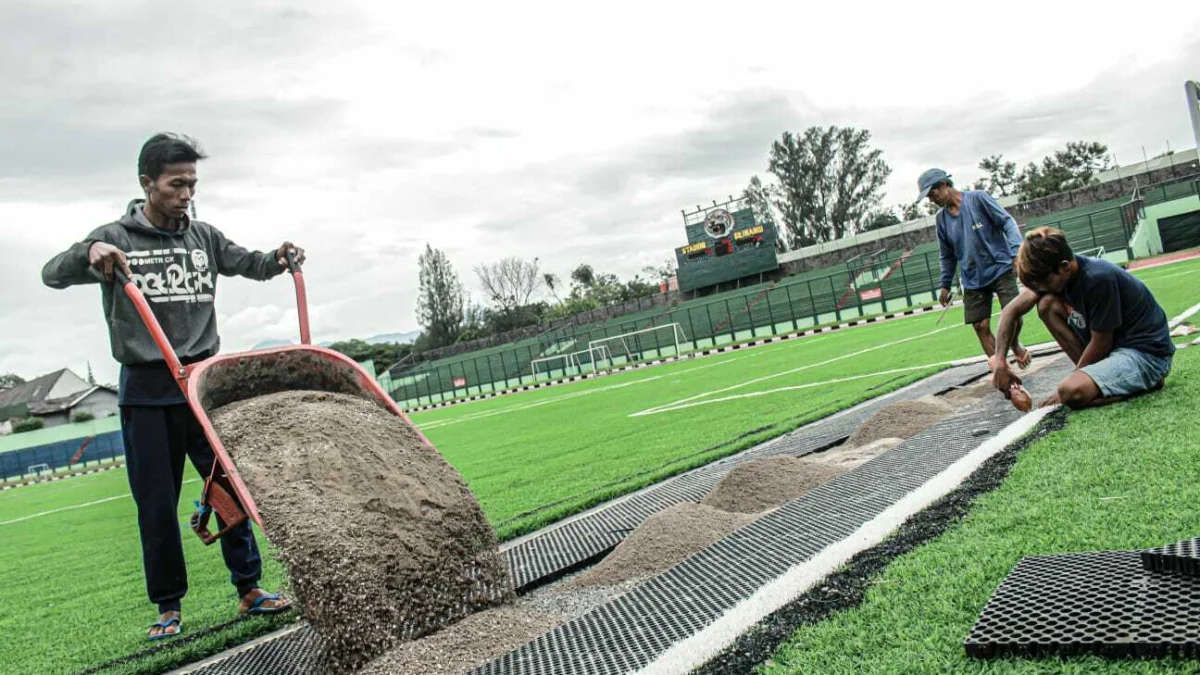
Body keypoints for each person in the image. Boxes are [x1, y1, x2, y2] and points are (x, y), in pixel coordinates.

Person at [42, 133, 302, 640]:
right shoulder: (116, 236)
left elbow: (248, 262)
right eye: (176, 184)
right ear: (147, 183)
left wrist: (278, 257)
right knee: (156, 503)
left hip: (203, 387)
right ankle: (168, 606)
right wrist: (91, 251)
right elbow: (52, 273)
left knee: (228, 490)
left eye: (192, 184)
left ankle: (250, 588)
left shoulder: (203, 237)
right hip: (147, 388)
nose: (186, 194)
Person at [990, 226, 1175, 409]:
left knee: (1070, 391)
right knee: (1047, 305)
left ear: (1064, 267)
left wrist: (1072, 382)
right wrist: (1000, 361)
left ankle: (1148, 382)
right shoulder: (1058, 275)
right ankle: (1094, 381)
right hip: (1116, 350)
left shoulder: (1099, 279)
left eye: (1045, 282)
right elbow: (1010, 312)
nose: (1042, 287)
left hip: (1146, 355)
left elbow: (1101, 343)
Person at [918, 168, 1031, 368]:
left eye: (932, 193)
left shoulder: (978, 199)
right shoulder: (941, 220)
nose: (931, 199)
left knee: (1012, 314)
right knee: (980, 325)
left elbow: (1007, 222)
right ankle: (1002, 368)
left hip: (1000, 267)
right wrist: (945, 284)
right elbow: (946, 254)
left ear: (943, 185)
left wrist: (1016, 252)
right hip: (972, 277)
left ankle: (1014, 343)